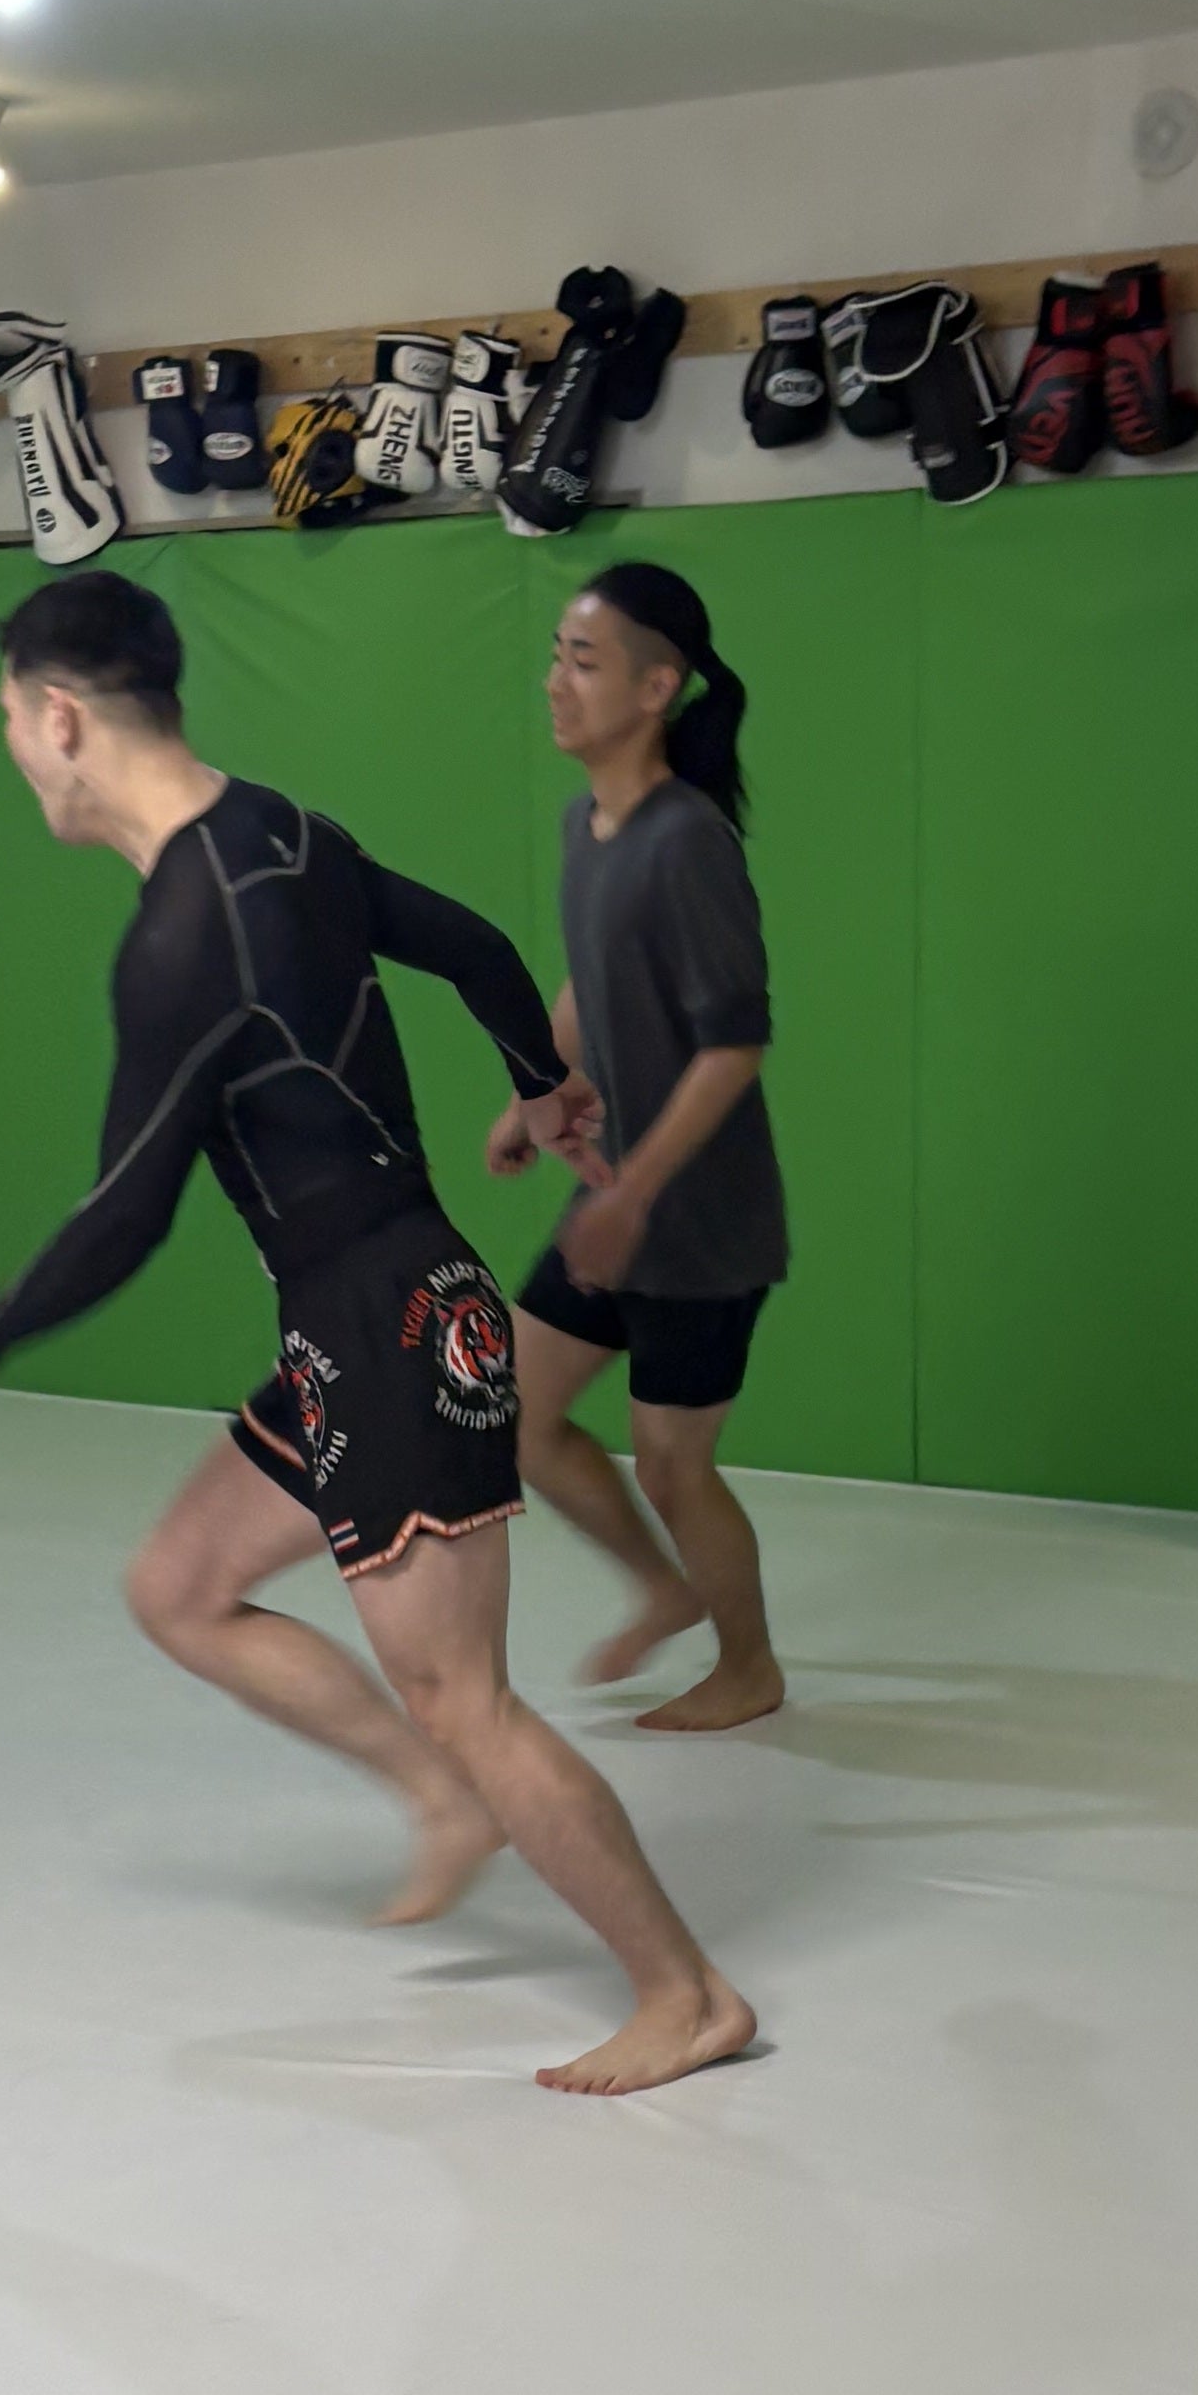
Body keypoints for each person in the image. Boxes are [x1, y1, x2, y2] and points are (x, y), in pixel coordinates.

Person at [0, 571, 756, 2098]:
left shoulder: (182, 940)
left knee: (468, 1697)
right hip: (362, 1323)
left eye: (9, 723)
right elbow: (479, 947)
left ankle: (685, 1994)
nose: (14, 750)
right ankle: (442, 1799)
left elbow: (128, 1210)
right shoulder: (281, 832)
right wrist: (543, 1084)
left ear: (61, 719)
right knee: (181, 1587)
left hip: (389, 1330)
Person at [484, 562, 789, 1728]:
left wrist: (633, 1196)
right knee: (517, 1410)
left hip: (699, 1224)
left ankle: (749, 1668)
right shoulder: (590, 824)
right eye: (555, 657)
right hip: (617, 1203)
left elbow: (734, 1045)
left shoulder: (689, 842)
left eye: (585, 661)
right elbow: (591, 974)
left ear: (658, 688)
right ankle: (665, 1591)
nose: (556, 682)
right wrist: (534, 1091)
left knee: (672, 1463)